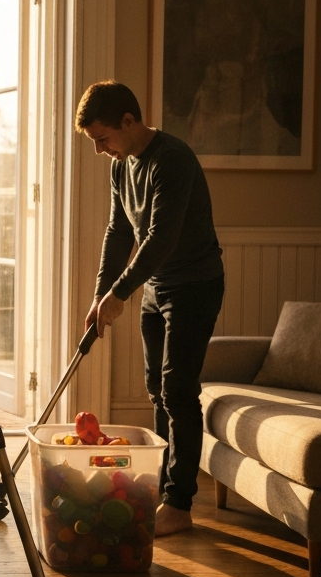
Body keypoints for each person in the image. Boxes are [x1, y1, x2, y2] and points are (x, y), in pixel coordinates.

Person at [78, 81, 224, 537]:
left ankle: (180, 504)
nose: (101, 150)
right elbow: (118, 232)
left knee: (178, 389)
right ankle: (164, 489)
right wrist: (102, 294)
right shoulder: (122, 166)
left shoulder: (173, 160)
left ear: (128, 121)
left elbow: (162, 237)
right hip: (156, 286)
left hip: (194, 286)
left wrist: (119, 294)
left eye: (103, 138)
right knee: (156, 390)